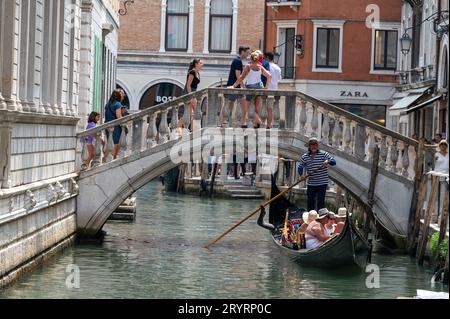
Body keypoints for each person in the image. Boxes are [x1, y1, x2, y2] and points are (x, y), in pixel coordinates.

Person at [229, 50, 272, 129]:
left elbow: (242, 77)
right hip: (259, 88)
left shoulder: (248, 66)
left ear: (251, 59)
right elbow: (269, 76)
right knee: (257, 109)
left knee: (247, 108)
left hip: (250, 88)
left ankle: (257, 122)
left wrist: (234, 86)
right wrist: (266, 87)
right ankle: (255, 124)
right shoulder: (260, 67)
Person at [298, 137, 336, 211]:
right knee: (310, 202)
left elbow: (334, 162)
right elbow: (300, 167)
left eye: (315, 144)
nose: (313, 146)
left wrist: (327, 161)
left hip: (322, 183)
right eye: (312, 145)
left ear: (317, 146)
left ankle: (321, 219)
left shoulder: (324, 154)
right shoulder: (305, 157)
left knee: (320, 203)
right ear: (309, 146)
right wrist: (301, 176)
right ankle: (310, 218)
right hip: (311, 183)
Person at [222, 46, 251, 128]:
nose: (248, 55)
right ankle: (223, 123)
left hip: (236, 88)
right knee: (228, 105)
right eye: (247, 53)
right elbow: (238, 76)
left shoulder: (238, 61)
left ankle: (242, 123)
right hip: (234, 88)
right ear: (242, 52)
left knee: (243, 106)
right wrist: (242, 86)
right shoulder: (238, 61)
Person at [182, 58, 203, 129]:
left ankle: (192, 129)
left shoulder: (197, 73)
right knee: (191, 113)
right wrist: (191, 97)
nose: (202, 65)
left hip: (193, 93)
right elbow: (188, 85)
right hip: (189, 92)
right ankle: (176, 129)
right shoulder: (192, 72)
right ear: (196, 64)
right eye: (201, 63)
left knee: (191, 113)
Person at [104, 89, 125, 160]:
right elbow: (119, 117)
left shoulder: (108, 104)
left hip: (107, 125)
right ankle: (113, 159)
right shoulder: (118, 104)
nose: (123, 96)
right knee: (115, 144)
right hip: (115, 127)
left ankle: (105, 159)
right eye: (122, 95)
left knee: (109, 143)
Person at [264, 52, 282, 128]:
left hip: (264, 89)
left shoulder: (264, 66)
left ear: (267, 57)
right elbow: (279, 79)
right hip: (273, 90)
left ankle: (261, 123)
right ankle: (269, 125)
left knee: (261, 107)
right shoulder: (277, 68)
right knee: (270, 109)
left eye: (264, 58)